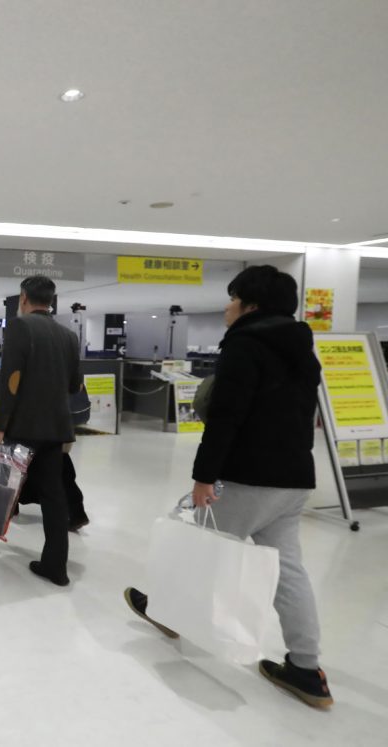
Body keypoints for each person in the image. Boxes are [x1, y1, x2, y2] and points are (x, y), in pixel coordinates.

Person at [124, 265, 332, 709]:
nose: (226, 306)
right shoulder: (303, 348)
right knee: (288, 571)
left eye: (232, 298)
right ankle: (306, 667)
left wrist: (203, 477)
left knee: (198, 542)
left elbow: (226, 417)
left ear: (251, 305)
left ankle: (164, 609)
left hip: (247, 476)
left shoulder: (245, 345)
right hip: (294, 478)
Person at [0, 276, 82, 585]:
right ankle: (56, 565)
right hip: (56, 428)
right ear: (52, 301)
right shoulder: (69, 336)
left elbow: (10, 381)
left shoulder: (20, 327)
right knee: (53, 496)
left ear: (24, 298)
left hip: (22, 426)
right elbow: (73, 385)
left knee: (3, 485)